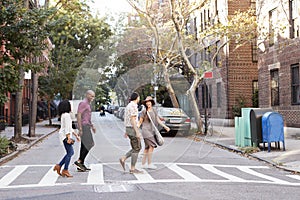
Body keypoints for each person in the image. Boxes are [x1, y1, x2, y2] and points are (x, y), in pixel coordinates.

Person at [138, 96, 170, 169]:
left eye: (149, 102)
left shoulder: (154, 110)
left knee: (147, 148)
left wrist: (165, 127)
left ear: (152, 102)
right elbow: (140, 121)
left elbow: (158, 120)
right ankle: (149, 164)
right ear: (145, 103)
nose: (148, 103)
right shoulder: (144, 111)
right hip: (145, 131)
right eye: (146, 102)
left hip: (152, 131)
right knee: (152, 146)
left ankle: (143, 164)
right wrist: (135, 128)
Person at [53, 100, 80, 178]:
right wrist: (69, 138)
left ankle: (59, 166)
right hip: (65, 136)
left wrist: (75, 135)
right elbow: (67, 129)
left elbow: (69, 127)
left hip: (63, 135)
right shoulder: (67, 115)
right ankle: (65, 169)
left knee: (70, 152)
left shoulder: (63, 115)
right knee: (70, 153)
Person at [119, 92, 143, 174]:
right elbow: (132, 120)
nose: (139, 99)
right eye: (139, 97)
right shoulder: (133, 106)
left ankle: (124, 158)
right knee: (137, 148)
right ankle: (132, 168)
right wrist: (137, 132)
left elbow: (126, 119)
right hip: (132, 129)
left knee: (136, 147)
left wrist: (127, 131)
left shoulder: (128, 106)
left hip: (129, 129)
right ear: (136, 98)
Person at [74, 90, 96, 171]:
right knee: (90, 143)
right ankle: (80, 160)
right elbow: (79, 115)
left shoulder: (87, 104)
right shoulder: (83, 103)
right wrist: (80, 128)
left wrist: (92, 125)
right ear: (87, 95)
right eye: (91, 96)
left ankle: (81, 164)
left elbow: (87, 117)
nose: (93, 98)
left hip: (87, 126)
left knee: (84, 145)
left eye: (93, 96)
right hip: (84, 126)